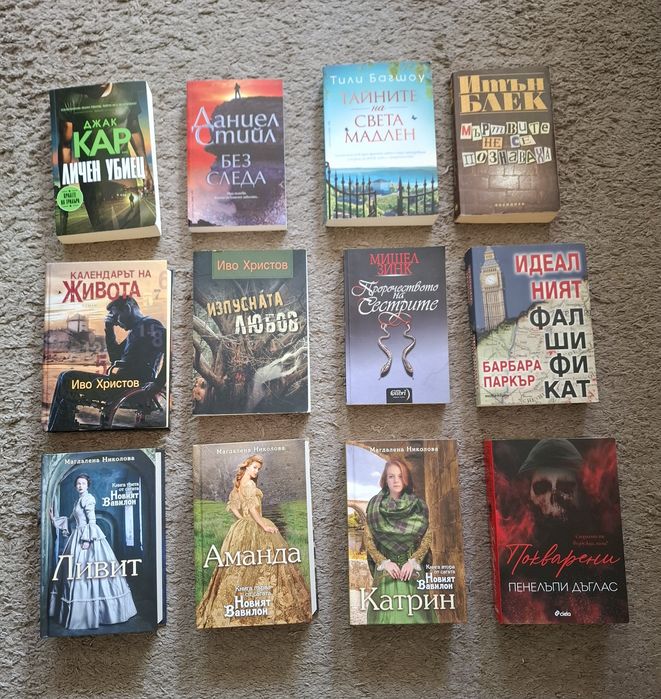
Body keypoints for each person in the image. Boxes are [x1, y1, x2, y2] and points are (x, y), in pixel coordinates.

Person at [196, 454, 311, 627]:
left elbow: (233, 506)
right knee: (266, 562)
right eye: (254, 467)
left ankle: (241, 603)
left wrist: (242, 520)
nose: (257, 471)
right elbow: (251, 508)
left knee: (241, 564)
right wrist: (263, 525)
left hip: (241, 527)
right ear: (247, 467)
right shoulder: (249, 484)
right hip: (256, 524)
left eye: (259, 469)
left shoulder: (238, 485)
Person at [47, 296, 165, 431]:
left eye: (116, 316)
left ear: (127, 308)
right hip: (121, 384)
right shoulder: (137, 331)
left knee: (68, 378)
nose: (116, 323)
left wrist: (158, 383)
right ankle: (57, 427)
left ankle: (60, 428)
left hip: (132, 386)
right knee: (64, 376)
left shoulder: (150, 325)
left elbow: (171, 350)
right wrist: (109, 329)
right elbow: (115, 358)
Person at [55, 82, 154, 234]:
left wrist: (145, 169)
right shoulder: (72, 99)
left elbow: (134, 130)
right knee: (102, 234)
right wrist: (65, 185)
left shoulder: (127, 93)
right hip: (92, 182)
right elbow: (65, 145)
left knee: (134, 233)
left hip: (124, 174)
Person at [49, 474, 137, 630]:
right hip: (77, 536)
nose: (80, 486)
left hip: (87, 537)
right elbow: (71, 520)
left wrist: (87, 540)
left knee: (90, 570)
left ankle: (103, 613)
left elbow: (92, 521)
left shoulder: (88, 499)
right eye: (78, 483)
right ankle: (80, 615)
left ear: (87, 485)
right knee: (76, 572)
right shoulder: (77, 501)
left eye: (83, 483)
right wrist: (54, 519)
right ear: (75, 486)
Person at [363, 456, 437, 624]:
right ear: (385, 480)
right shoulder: (374, 506)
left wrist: (413, 561)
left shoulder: (418, 505)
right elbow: (368, 540)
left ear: (406, 479)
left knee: (417, 619)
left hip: (412, 570)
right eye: (391, 476)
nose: (396, 480)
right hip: (387, 572)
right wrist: (384, 563)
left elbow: (427, 536)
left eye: (400, 476)